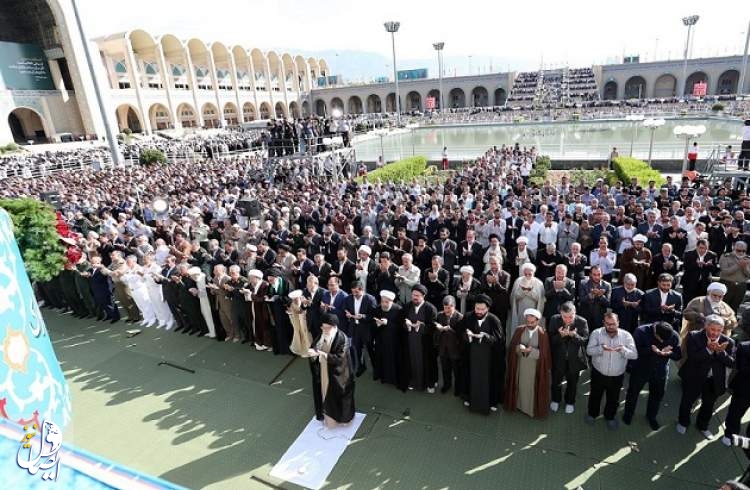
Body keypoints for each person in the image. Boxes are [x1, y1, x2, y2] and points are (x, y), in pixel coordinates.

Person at [677, 315, 735, 439]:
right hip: (694, 377)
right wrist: (708, 349)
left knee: (708, 405)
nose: (715, 333)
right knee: (687, 402)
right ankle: (683, 422)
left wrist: (720, 352)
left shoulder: (728, 342)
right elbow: (693, 357)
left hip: (713, 380)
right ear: (706, 326)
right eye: (713, 329)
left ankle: (702, 426)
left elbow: (731, 362)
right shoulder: (694, 336)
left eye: (719, 330)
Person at [623, 321, 681, 430]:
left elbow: (678, 355)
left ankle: (651, 417)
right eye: (660, 339)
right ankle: (628, 414)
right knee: (633, 393)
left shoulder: (674, 336)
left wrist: (669, 354)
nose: (663, 342)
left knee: (657, 396)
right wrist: (651, 350)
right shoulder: (641, 331)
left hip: (660, 371)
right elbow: (634, 352)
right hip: (641, 369)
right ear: (655, 332)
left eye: (665, 340)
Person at [585, 312, 637, 430]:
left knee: (613, 398)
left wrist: (622, 350)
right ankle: (592, 414)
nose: (610, 326)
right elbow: (589, 351)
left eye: (613, 324)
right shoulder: (596, 333)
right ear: (604, 323)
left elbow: (634, 355)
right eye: (608, 324)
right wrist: (601, 349)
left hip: (617, 375)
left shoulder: (626, 335)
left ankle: (610, 416)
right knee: (595, 395)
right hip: (598, 373)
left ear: (618, 323)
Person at [308, 313, 355, 427]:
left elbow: (339, 359)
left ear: (334, 327)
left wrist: (321, 353)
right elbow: (315, 345)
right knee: (324, 393)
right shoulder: (322, 334)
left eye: (327, 328)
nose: (324, 330)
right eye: (322, 327)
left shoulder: (342, 338)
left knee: (340, 397)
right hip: (324, 371)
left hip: (339, 374)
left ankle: (343, 420)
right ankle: (329, 419)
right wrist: (313, 352)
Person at [462, 294, 505, 414]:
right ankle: (470, 398)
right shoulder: (469, 316)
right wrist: (467, 335)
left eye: (482, 309)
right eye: (477, 309)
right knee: (471, 376)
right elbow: (461, 332)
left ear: (488, 309)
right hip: (471, 356)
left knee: (490, 380)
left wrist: (485, 336)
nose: (479, 312)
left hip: (489, 358)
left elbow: (499, 339)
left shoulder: (494, 320)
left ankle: (491, 401)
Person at [504, 308, 551, 418]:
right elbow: (512, 349)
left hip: (534, 368)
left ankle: (530, 410)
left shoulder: (543, 334)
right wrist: (518, 348)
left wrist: (532, 351)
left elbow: (545, 355)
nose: (529, 324)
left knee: (531, 389)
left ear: (538, 321)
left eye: (532, 322)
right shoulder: (519, 330)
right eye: (527, 322)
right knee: (519, 385)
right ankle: (518, 405)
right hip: (519, 366)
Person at [548, 302, 589, 414]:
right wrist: (560, 336)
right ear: (560, 314)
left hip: (574, 359)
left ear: (575, 312)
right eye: (564, 317)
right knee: (556, 381)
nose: (568, 319)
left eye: (571, 316)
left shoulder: (582, 321)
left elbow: (584, 341)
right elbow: (550, 340)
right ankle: (555, 400)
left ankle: (570, 402)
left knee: (572, 383)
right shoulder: (554, 319)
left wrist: (574, 335)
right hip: (558, 358)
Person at [402, 284, 438, 393]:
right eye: (413, 295)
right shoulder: (407, 306)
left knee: (427, 363)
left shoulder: (430, 309)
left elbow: (433, 327)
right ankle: (413, 381)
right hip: (410, 341)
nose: (415, 297)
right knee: (411, 361)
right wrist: (406, 323)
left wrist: (421, 326)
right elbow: (401, 320)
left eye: (417, 295)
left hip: (425, 343)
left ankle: (429, 383)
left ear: (423, 296)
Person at [343, 281, 377, 377]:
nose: (354, 295)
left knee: (370, 350)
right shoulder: (349, 298)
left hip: (366, 329)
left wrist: (362, 316)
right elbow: (345, 308)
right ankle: (361, 366)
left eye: (356, 292)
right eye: (353, 292)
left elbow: (373, 316)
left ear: (362, 290)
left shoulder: (370, 299)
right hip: (355, 329)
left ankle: (375, 369)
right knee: (357, 349)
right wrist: (348, 314)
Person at [508, 262, 545, 344]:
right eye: (526, 274)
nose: (527, 276)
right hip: (521, 310)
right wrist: (523, 292)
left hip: (533, 310)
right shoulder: (518, 281)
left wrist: (530, 291)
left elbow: (540, 300)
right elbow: (514, 297)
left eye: (530, 274)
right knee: (521, 327)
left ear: (533, 273)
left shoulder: (539, 283)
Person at [372, 290, 403, 387]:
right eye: (382, 302)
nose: (384, 304)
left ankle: (394, 379)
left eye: (386, 302)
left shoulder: (398, 309)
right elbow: (372, 323)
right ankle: (383, 377)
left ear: (392, 302)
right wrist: (376, 324)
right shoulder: (377, 309)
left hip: (394, 342)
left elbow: (401, 327)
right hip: (381, 340)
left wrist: (388, 323)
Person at [435, 295, 464, 395]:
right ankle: (447, 385)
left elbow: (461, 336)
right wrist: (438, 329)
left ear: (454, 306)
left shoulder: (460, 318)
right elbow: (435, 332)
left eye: (449, 307)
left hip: (455, 350)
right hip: (443, 349)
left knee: (457, 371)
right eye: (445, 307)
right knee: (444, 369)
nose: (446, 310)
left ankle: (458, 388)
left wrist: (450, 329)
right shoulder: (439, 315)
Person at [723, 339, 750, 446]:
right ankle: (729, 434)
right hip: (745, 388)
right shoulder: (744, 347)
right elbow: (742, 368)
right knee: (736, 412)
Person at [681, 239, 718, 304]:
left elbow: (714, 270)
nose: (703, 250)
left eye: (705, 248)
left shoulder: (712, 255)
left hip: (704, 285)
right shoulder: (688, 254)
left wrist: (708, 265)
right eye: (701, 248)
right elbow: (685, 267)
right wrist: (696, 264)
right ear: (697, 247)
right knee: (688, 303)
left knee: (701, 304)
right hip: (690, 284)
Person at [578, 265, 611, 334]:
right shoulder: (583, 283)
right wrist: (591, 295)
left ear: (602, 274)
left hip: (599, 318)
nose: (596, 277)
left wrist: (601, 296)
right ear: (590, 274)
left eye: (599, 274)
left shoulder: (607, 285)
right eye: (594, 274)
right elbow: (581, 300)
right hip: (585, 317)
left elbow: (608, 304)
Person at [719, 241, 750, 313]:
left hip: (741, 286)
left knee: (735, 307)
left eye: (743, 251)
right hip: (727, 284)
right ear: (734, 248)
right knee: (723, 306)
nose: (741, 252)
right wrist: (738, 265)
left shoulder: (748, 259)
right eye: (739, 250)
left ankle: (732, 322)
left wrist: (745, 267)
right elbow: (725, 272)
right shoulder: (726, 256)